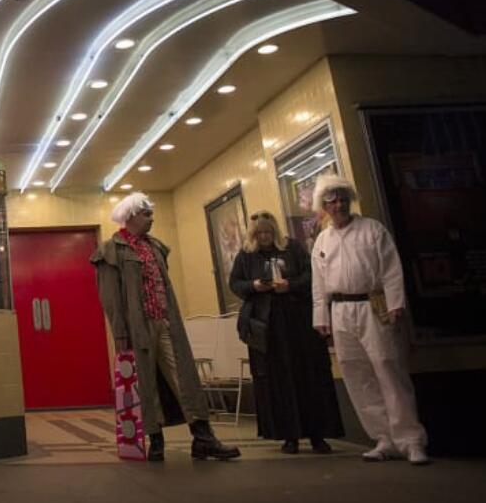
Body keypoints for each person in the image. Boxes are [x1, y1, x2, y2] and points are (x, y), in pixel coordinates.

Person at [92, 192, 240, 462]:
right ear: (131, 217)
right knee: (144, 383)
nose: (151, 218)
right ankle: (155, 441)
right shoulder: (111, 251)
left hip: (165, 321)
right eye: (146, 214)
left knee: (184, 376)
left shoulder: (155, 247)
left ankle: (203, 438)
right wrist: (121, 333)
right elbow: (110, 298)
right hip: (138, 326)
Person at [310, 174, 430, 465]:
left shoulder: (372, 230)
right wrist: (320, 316)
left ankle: (411, 440)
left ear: (349, 200)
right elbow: (319, 283)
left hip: (373, 306)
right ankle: (383, 438)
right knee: (356, 374)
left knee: (389, 368)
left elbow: (391, 269)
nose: (338, 204)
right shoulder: (322, 240)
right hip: (340, 312)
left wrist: (395, 303)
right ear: (323, 206)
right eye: (331, 200)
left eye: (342, 198)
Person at [229, 210, 343, 454]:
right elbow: (235, 283)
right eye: (260, 234)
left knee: (309, 375)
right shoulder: (247, 255)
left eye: (268, 233)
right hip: (267, 327)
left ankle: (317, 434)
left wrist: (290, 285)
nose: (265, 238)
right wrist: (254, 286)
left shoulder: (293, 248)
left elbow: (311, 276)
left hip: (298, 321)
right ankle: (288, 435)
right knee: (277, 379)